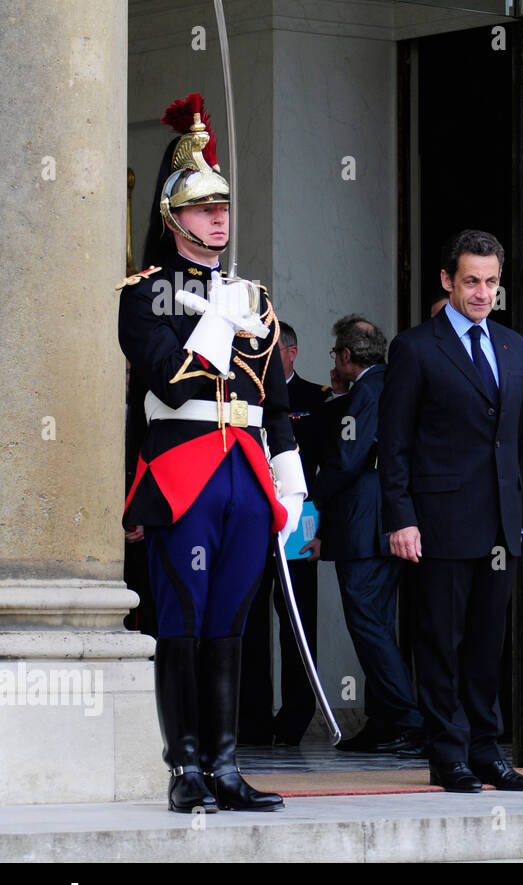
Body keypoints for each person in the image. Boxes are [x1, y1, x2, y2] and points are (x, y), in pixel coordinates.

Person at [118, 94, 305, 812]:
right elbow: (165, 380)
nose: (218, 218)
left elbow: (276, 403)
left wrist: (293, 488)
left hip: (246, 473)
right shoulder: (144, 295)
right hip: (183, 469)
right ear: (173, 218)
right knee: (184, 618)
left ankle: (226, 766)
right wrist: (216, 328)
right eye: (202, 207)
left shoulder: (252, 296)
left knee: (231, 619)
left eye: (223, 206)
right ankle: (184, 769)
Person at [379, 229, 523, 793]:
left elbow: (519, 440)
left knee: (486, 644)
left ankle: (487, 751)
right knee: (440, 643)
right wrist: (400, 516)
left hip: (499, 524)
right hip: (437, 522)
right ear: (447, 281)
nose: (482, 293)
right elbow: (393, 442)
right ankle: (448, 756)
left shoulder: (514, 346)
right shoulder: (416, 347)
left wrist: (519, 514)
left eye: (491, 282)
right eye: (471, 281)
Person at [314, 315, 424, 754]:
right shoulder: (385, 383)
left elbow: (348, 456)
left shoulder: (369, 389)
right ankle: (385, 722)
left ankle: (408, 719)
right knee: (377, 622)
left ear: (344, 356)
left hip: (366, 524)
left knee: (368, 624)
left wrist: (309, 499)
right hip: (382, 522)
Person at [239, 321, 332, 745]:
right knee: (250, 621)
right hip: (255, 521)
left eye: (273, 351)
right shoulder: (246, 392)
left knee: (297, 622)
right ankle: (252, 719)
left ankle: (296, 717)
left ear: (291, 354)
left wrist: (324, 528)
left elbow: (333, 468)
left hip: (301, 524)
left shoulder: (318, 399)